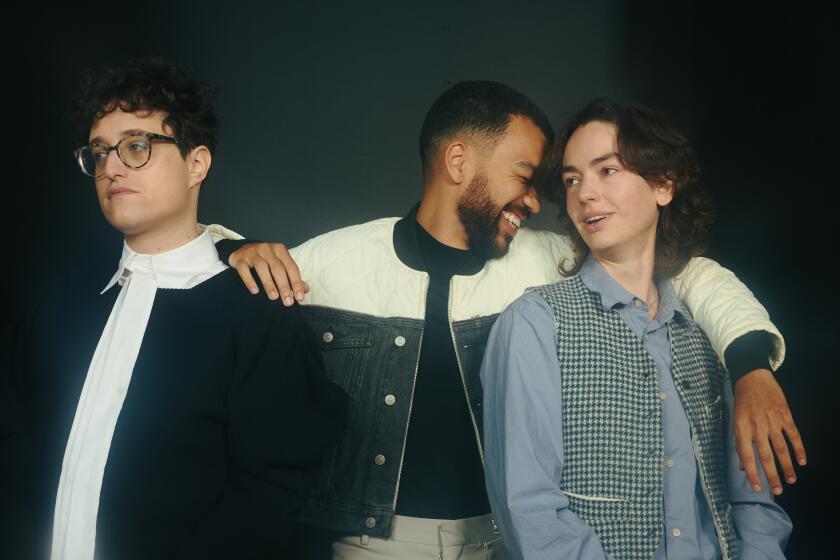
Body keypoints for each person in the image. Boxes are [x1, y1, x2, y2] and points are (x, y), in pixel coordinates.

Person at [209, 81, 802, 559]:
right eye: (526, 176)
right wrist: (229, 246)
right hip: (373, 547)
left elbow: (687, 275)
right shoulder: (333, 260)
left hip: (502, 545)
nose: (537, 200)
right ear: (458, 160)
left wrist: (750, 365)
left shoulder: (546, 259)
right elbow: (210, 287)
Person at [0, 57, 346, 560]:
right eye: (99, 152)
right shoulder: (59, 300)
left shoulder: (259, 313)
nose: (111, 166)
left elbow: (272, 493)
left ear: (197, 164)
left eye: (136, 146)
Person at [481, 99, 792, 559]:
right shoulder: (535, 324)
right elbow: (530, 508)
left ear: (663, 184)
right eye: (572, 179)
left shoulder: (708, 327)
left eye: (607, 171)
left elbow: (753, 501)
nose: (585, 193)